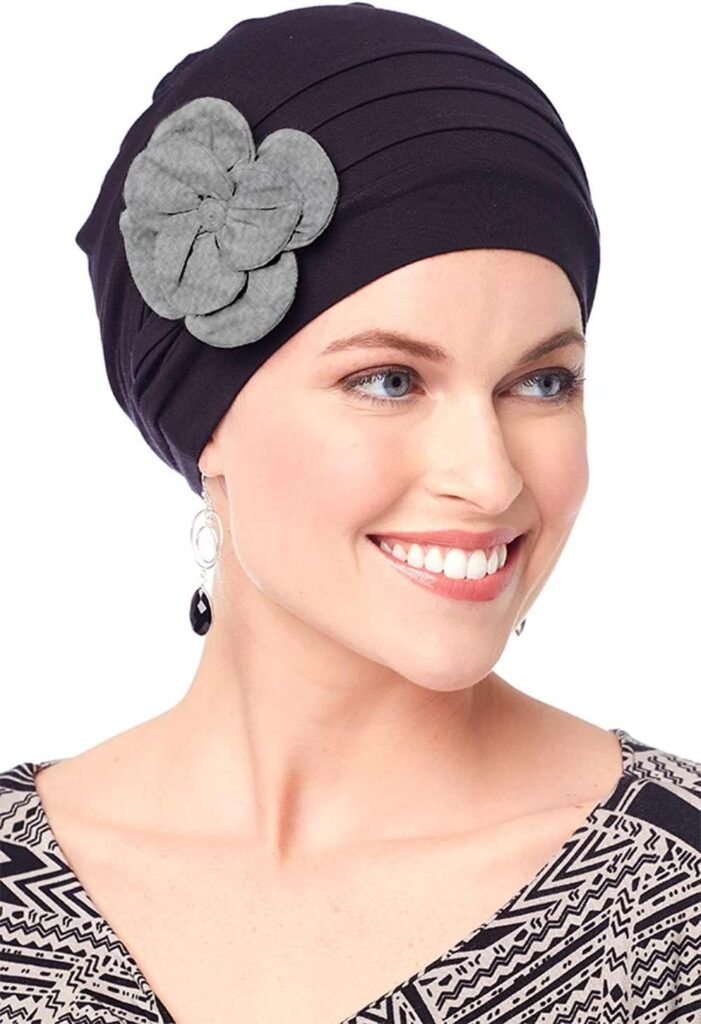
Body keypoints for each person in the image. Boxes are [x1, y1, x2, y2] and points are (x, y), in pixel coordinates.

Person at [1, 5, 699, 1023]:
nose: (488, 478)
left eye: (541, 382)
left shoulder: (675, 905)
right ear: (206, 420)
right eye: (388, 380)